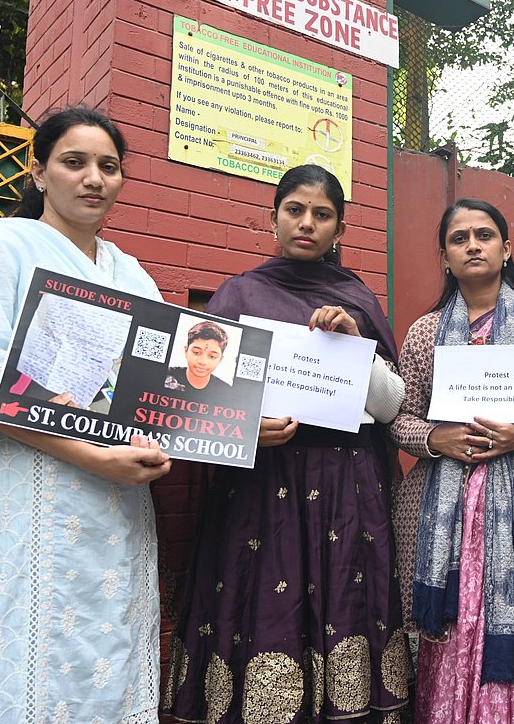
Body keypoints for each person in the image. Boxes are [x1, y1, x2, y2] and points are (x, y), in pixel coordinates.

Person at [0, 106, 172, 723]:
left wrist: (232, 426)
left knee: (107, 656)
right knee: (20, 653)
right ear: (40, 172)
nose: (94, 179)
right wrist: (93, 455)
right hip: (20, 494)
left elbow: (165, 388)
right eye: (75, 163)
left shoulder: (131, 276)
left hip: (114, 504)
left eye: (109, 167)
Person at [165, 165, 410, 724]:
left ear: (340, 229)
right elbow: (195, 407)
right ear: (273, 219)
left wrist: (356, 348)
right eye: (295, 210)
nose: (307, 224)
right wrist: (246, 427)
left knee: (343, 603)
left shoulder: (357, 301)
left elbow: (393, 407)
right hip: (259, 490)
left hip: (346, 493)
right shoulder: (239, 295)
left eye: (322, 215)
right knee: (262, 606)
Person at [391, 199, 514, 724]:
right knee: (456, 628)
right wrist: (439, 439)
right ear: (444, 257)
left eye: (485, 235)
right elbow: (399, 417)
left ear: (507, 249)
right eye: (460, 239)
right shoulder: (424, 332)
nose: (473, 245)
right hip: (446, 515)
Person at [164, 319, 233, 396]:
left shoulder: (227, 392)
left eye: (212, 356)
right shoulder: (164, 375)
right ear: (186, 351)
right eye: (196, 352)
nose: (203, 362)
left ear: (220, 359)